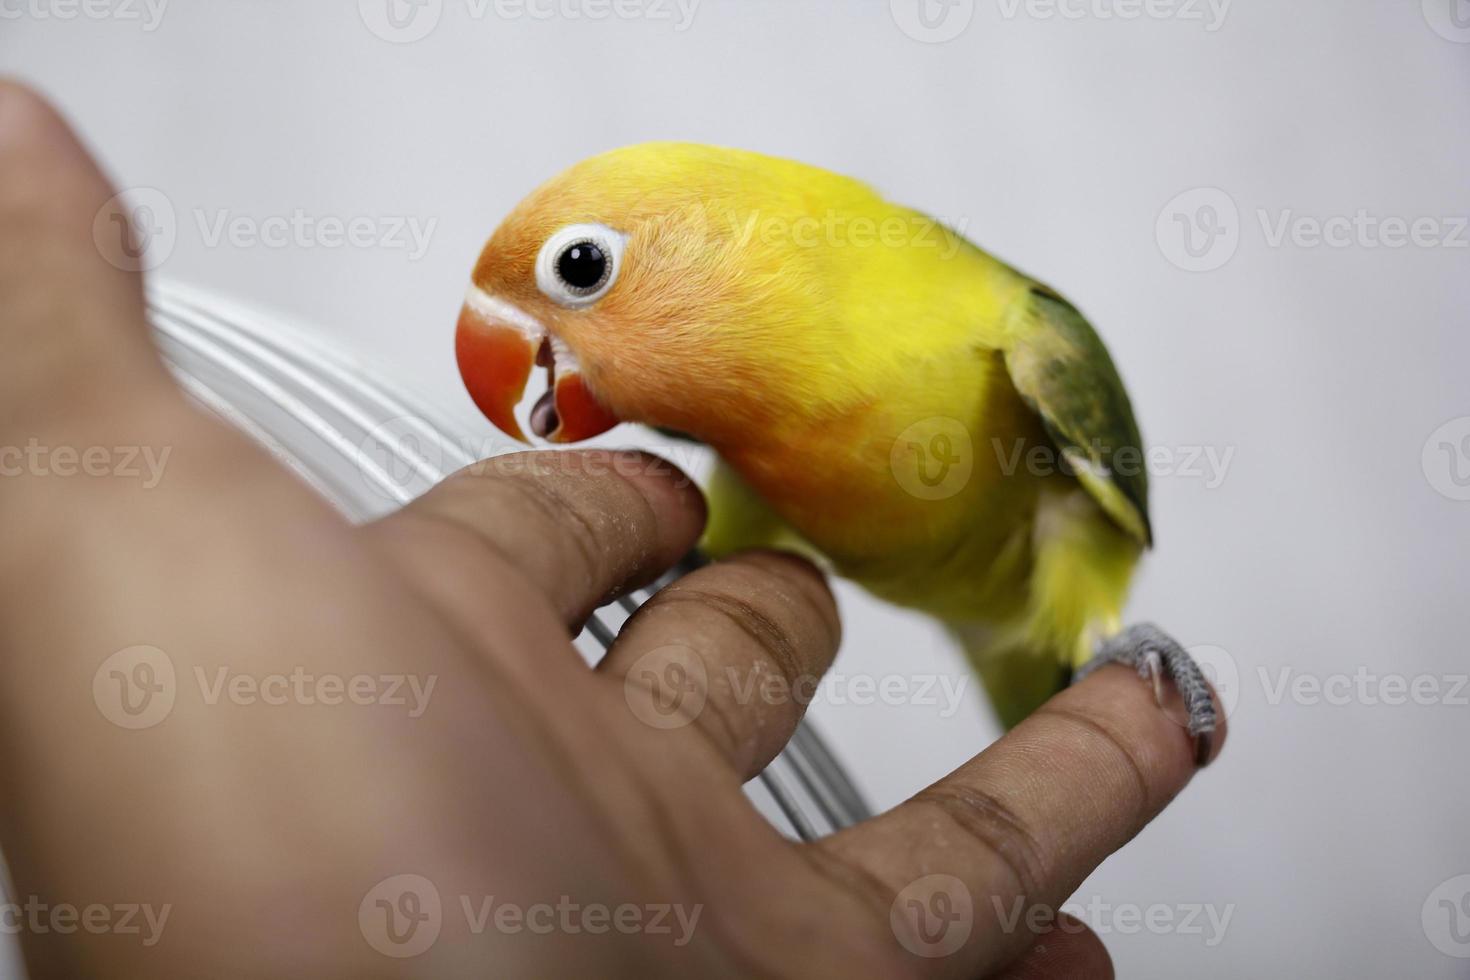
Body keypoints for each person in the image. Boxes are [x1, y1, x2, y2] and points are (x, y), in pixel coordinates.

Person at [0, 81, 1223, 979]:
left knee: (1091, 685)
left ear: (739, 238)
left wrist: (1104, 654)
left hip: (1029, 584)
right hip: (778, 536)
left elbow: (1101, 511)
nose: (537, 343)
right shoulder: (743, 404)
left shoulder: (1023, 339)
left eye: (580, 270)